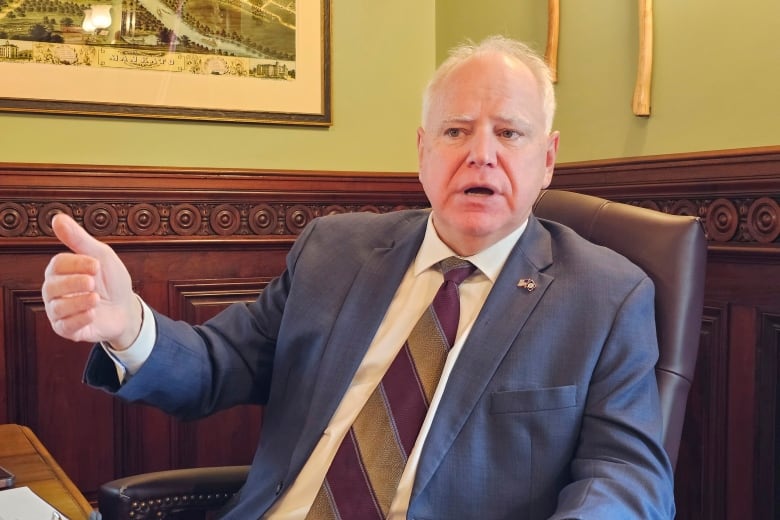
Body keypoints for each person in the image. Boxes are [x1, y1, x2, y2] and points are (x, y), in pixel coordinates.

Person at [42, 35, 675, 519]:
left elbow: (626, 474)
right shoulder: (334, 250)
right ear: (423, 151)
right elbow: (219, 362)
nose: (481, 152)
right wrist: (129, 328)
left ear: (548, 159)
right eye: (456, 131)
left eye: (510, 132)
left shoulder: (606, 296)